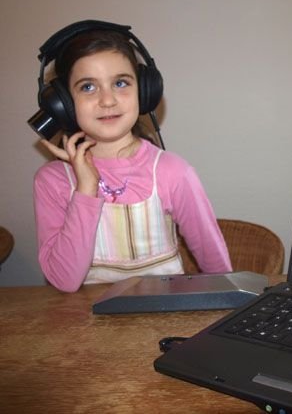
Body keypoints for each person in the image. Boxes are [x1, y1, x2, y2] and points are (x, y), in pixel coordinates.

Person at [33, 23, 232, 292]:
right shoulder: (52, 181)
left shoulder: (172, 172)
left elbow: (220, 273)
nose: (107, 100)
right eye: (88, 87)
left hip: (164, 313)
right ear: (63, 104)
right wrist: (86, 189)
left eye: (120, 83)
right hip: (85, 319)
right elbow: (65, 282)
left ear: (144, 91)